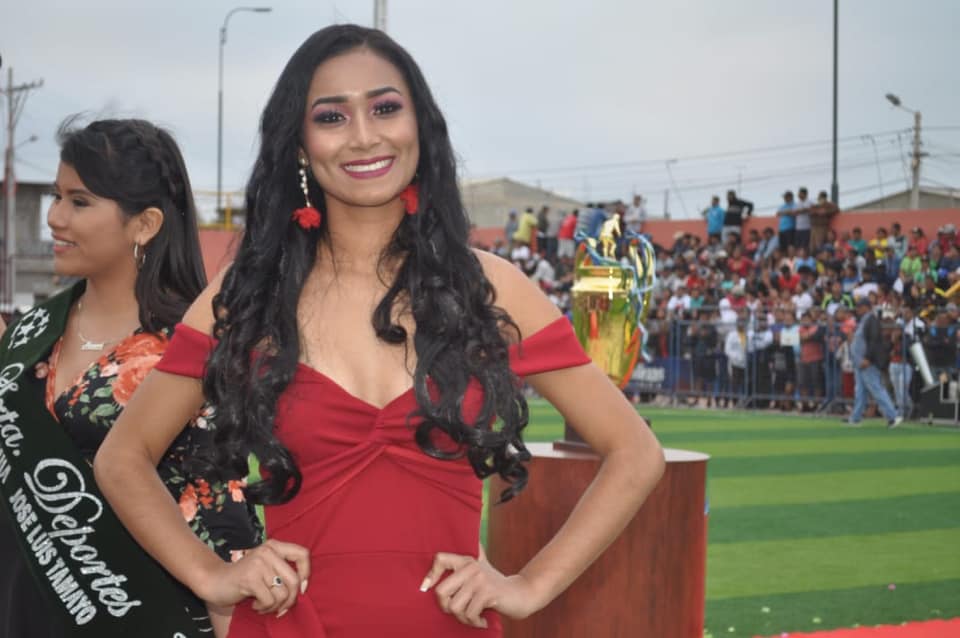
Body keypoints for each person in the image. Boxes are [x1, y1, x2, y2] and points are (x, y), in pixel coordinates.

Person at [95, 25, 664, 638]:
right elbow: (123, 458)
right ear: (299, 143)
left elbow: (635, 453)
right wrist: (209, 576)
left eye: (385, 108)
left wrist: (529, 586)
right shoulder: (246, 297)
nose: (364, 135)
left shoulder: (490, 288)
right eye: (332, 117)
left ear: (421, 125)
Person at [0, 119, 260, 638]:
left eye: (79, 201)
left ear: (144, 224)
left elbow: (219, 513)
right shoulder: (30, 333)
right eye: (56, 196)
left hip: (142, 616)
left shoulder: (186, 350)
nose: (54, 217)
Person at [844, 298, 903, 428]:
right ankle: (855, 418)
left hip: (867, 362)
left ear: (866, 307)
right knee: (860, 391)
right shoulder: (864, 320)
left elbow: (874, 341)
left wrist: (868, 358)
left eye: (859, 307)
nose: (857, 310)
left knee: (876, 389)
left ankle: (893, 416)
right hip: (860, 362)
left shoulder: (871, 320)